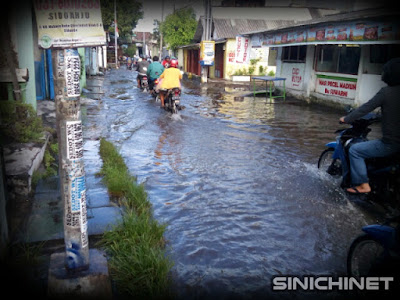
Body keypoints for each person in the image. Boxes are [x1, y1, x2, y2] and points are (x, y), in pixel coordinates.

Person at [339, 58, 400, 194]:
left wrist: (347, 118)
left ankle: (363, 185)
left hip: (391, 144)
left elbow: (365, 108)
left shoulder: (386, 92)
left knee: (355, 150)